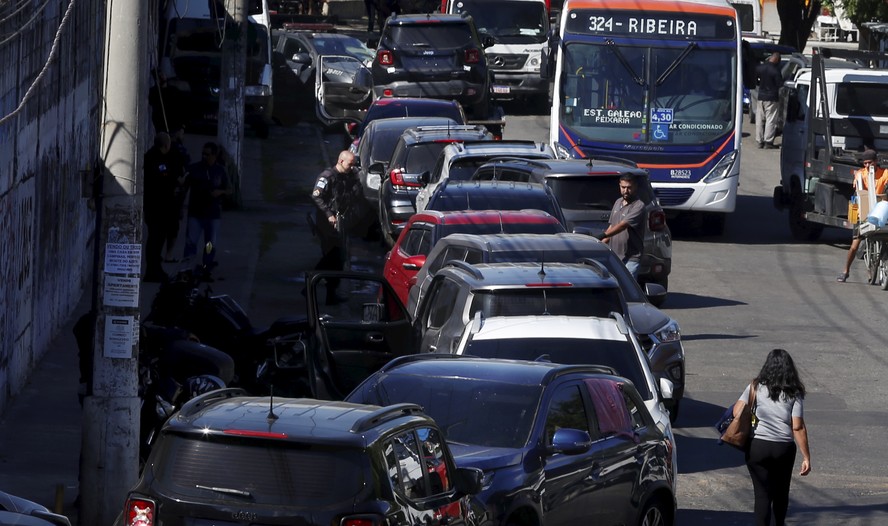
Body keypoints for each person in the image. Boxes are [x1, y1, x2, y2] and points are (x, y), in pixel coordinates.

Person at [734, 348, 810, 526]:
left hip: (757, 446)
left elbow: (737, 411)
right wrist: (806, 456)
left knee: (762, 494)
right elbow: (797, 426)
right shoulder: (794, 392)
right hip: (783, 448)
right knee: (781, 492)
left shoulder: (755, 386)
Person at [310, 150, 367, 304]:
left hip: (340, 223)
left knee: (337, 259)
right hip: (326, 224)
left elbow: (356, 195)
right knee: (333, 257)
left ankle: (328, 293)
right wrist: (328, 214)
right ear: (341, 161)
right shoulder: (327, 176)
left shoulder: (349, 177)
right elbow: (316, 196)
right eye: (350, 164)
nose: (352, 167)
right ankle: (312, 281)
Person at [837, 149, 888, 282]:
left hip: (881, 211)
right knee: (855, 245)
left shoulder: (885, 173)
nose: (867, 165)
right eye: (865, 163)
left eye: (870, 162)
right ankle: (845, 271)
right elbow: (859, 188)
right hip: (864, 213)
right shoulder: (861, 174)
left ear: (876, 161)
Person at [182, 142, 232, 276]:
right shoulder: (194, 169)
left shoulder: (220, 171)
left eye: (208, 154)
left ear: (214, 155)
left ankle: (206, 266)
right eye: (203, 154)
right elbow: (184, 187)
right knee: (191, 242)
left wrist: (220, 192)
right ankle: (187, 269)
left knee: (210, 244)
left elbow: (229, 190)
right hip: (195, 213)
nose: (204, 157)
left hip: (212, 214)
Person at [143, 132, 185, 282]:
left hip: (160, 205)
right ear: (166, 145)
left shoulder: (157, 157)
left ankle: (155, 268)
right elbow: (164, 179)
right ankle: (152, 270)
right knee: (155, 238)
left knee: (158, 238)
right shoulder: (154, 159)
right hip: (156, 206)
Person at [600, 174, 645, 279]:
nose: (626, 191)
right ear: (619, 186)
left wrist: (603, 234)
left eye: (629, 187)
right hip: (615, 257)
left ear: (635, 187)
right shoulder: (618, 202)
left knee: (627, 290)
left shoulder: (638, 206)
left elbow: (622, 225)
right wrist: (599, 243)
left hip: (631, 259)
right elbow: (612, 226)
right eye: (623, 187)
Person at [755, 52, 782, 149]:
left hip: (761, 96)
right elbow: (779, 84)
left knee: (759, 119)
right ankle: (768, 141)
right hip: (772, 98)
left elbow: (755, 80)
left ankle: (759, 140)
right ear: (777, 60)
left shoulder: (760, 68)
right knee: (770, 119)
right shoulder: (775, 70)